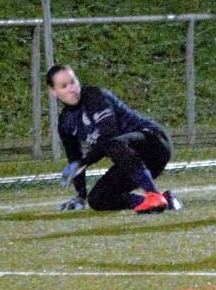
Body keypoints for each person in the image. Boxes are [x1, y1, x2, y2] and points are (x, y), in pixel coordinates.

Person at [47, 65, 182, 214]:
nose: (71, 89)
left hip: (154, 143)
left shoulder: (95, 97)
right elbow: (75, 158)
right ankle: (163, 201)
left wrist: (85, 161)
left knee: (112, 143)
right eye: (64, 86)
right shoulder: (65, 123)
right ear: (53, 91)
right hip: (133, 161)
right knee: (98, 199)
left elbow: (108, 136)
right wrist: (81, 195)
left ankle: (153, 195)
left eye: (73, 82)